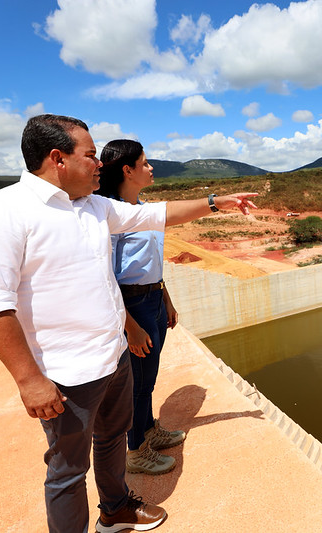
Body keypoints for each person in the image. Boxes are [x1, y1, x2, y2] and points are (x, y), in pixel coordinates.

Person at [0, 114, 258, 533]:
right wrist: (28, 379)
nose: (99, 163)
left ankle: (116, 509)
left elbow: (157, 214)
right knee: (67, 470)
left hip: (113, 358)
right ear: (57, 158)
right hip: (66, 373)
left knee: (112, 439)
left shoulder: (94, 206)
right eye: (89, 154)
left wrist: (216, 202)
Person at [94, 139, 183, 475]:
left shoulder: (142, 209)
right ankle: (135, 452)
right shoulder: (111, 216)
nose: (151, 168)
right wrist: (130, 327)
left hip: (153, 300)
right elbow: (106, 278)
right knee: (137, 384)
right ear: (127, 170)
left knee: (148, 378)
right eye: (144, 163)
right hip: (132, 305)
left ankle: (148, 431)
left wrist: (165, 298)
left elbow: (152, 263)